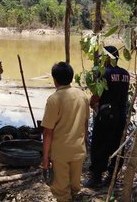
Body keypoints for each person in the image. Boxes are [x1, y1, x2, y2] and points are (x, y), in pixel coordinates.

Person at [41, 62, 90, 202]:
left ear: (55, 80)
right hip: (78, 149)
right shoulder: (82, 96)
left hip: (60, 152)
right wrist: (84, 143)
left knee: (61, 190)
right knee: (75, 186)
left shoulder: (54, 100)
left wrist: (45, 158)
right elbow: (85, 123)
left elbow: (48, 132)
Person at [84, 45, 130, 188]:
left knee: (99, 144)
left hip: (105, 115)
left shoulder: (105, 73)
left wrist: (92, 104)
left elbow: (97, 96)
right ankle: (112, 176)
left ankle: (96, 176)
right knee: (117, 144)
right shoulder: (125, 74)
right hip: (121, 115)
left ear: (107, 58)